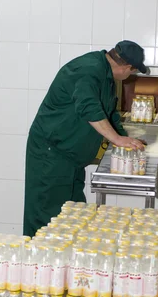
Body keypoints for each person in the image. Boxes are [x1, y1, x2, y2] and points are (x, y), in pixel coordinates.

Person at [23, 40, 148, 237]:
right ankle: (39, 265)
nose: (130, 76)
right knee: (48, 218)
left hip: (71, 158)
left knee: (73, 215)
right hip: (51, 155)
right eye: (133, 72)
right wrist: (116, 139)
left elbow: (109, 113)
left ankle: (67, 265)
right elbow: (89, 107)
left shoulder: (105, 76)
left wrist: (125, 140)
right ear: (126, 67)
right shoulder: (87, 70)